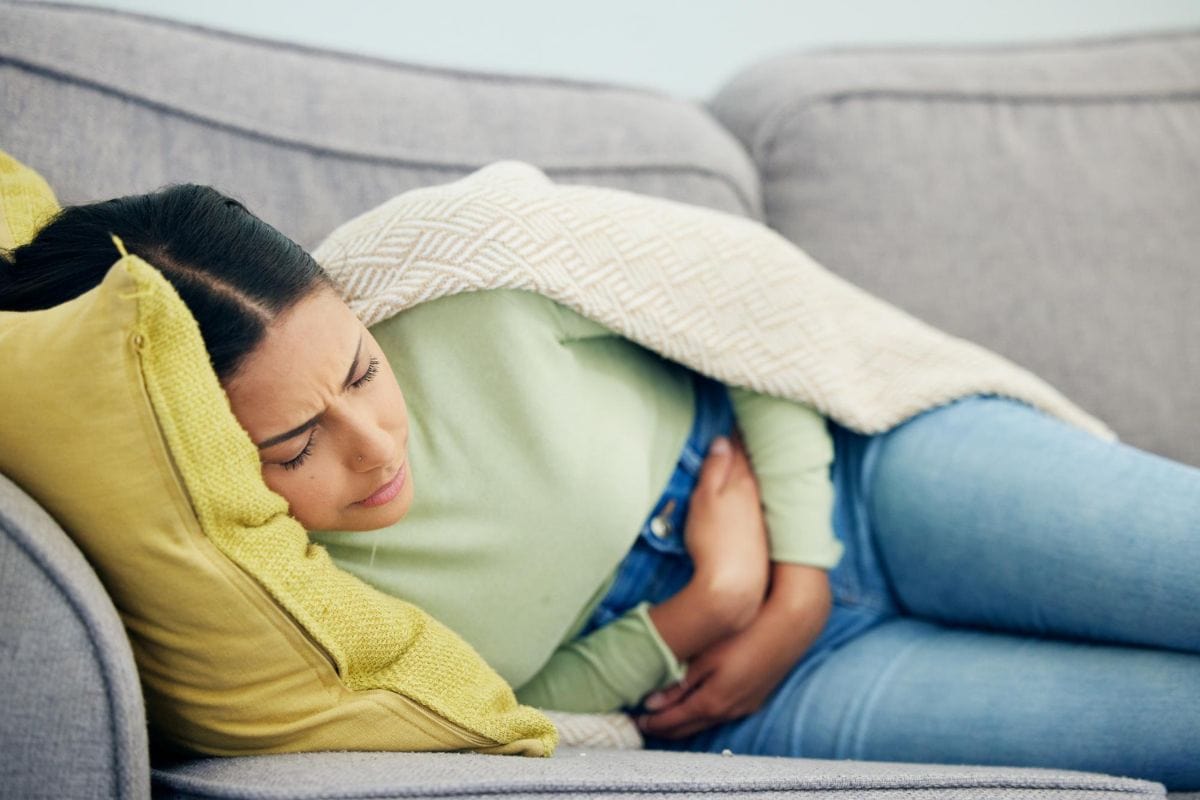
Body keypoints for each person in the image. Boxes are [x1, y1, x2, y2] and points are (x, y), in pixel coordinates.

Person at [2, 184, 1196, 790]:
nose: (373, 447)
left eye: (362, 369)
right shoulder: (304, 606)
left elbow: (749, 315)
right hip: (747, 697)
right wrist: (699, 611)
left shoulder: (466, 281)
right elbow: (518, 703)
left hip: (865, 478)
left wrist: (793, 577)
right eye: (296, 445)